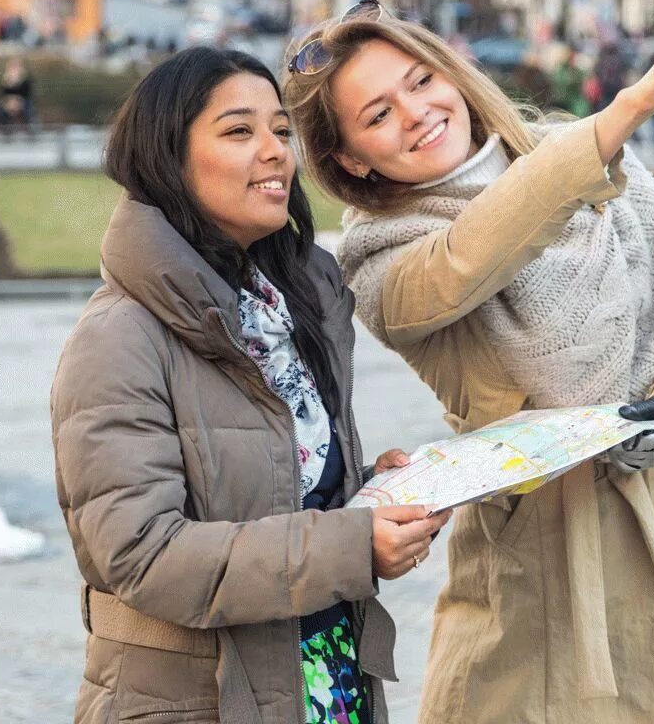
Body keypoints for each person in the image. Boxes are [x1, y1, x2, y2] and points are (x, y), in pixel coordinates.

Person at [283, 1, 654, 724]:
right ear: (351, 159)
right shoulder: (382, 260)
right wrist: (629, 108)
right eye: (378, 114)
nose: (417, 111)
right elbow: (476, 251)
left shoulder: (584, 159)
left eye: (421, 80)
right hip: (550, 581)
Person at [50, 47, 450, 724]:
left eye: (281, 131)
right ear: (166, 158)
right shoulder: (118, 339)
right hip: (193, 702)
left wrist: (370, 495)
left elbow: (274, 494)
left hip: (326, 682)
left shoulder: (290, 307)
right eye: (239, 132)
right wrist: (351, 545)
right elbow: (142, 556)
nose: (275, 153)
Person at [0, 57, 35, 133]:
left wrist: (17, 101)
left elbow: (26, 93)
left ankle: (30, 131)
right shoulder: (5, 79)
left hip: (22, 101)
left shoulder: (25, 79)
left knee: (29, 109)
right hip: (8, 102)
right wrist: (9, 101)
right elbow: (3, 94)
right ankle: (4, 130)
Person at [550, 46, 591, 116]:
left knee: (583, 107)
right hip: (563, 98)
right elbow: (561, 82)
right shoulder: (561, 68)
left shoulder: (576, 69)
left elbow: (583, 77)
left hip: (575, 97)